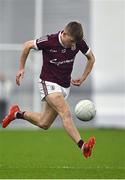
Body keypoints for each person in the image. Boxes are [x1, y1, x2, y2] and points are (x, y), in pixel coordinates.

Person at [2, 21, 95, 158]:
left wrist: (83, 77)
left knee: (44, 123)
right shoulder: (49, 41)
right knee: (65, 112)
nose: (73, 45)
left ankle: (16, 114)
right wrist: (21, 68)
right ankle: (82, 145)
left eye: (75, 42)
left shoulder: (78, 42)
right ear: (64, 34)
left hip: (64, 86)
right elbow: (27, 45)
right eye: (71, 41)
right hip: (48, 82)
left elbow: (91, 58)